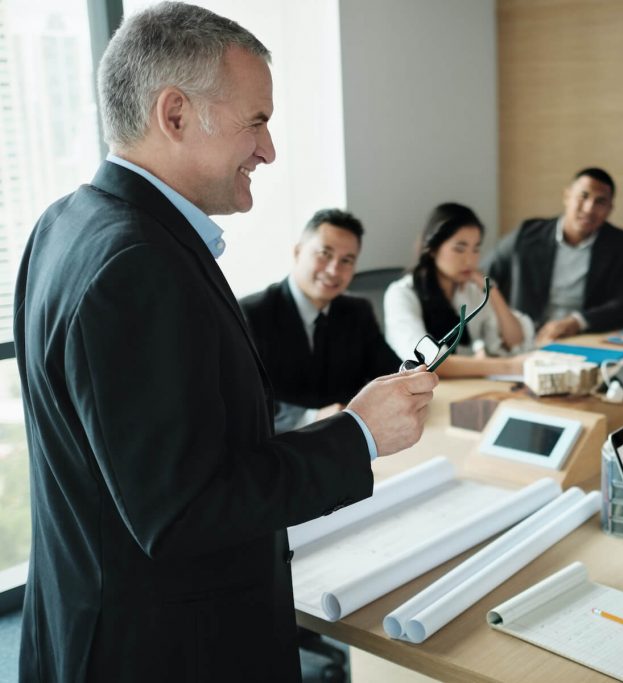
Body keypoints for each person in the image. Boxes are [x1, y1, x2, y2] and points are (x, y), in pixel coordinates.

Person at [13, 4, 437, 682]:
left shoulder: (64, 223)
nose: (269, 150)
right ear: (174, 115)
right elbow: (184, 509)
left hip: (93, 621)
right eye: (257, 121)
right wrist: (358, 435)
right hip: (165, 650)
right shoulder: (137, 265)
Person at [241, 208, 401, 433]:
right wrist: (312, 416)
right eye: (324, 254)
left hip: (348, 441)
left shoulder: (358, 311)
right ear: (298, 252)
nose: (334, 269)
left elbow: (390, 372)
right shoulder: (251, 314)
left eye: (347, 260)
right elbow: (242, 401)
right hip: (280, 447)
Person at [484, 167, 623, 345]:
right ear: (566, 196)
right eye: (583, 196)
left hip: (582, 339)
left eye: (600, 202)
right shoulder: (527, 234)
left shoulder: (618, 243)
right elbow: (485, 277)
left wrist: (578, 321)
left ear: (610, 209)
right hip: (522, 337)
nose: (589, 208)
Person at [384, 202, 534, 378]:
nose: (470, 260)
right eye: (459, 249)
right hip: (418, 396)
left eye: (476, 249)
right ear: (432, 249)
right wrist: (508, 367)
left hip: (466, 387)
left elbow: (514, 340)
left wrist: (492, 291)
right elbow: (432, 363)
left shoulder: (470, 290)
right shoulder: (401, 294)